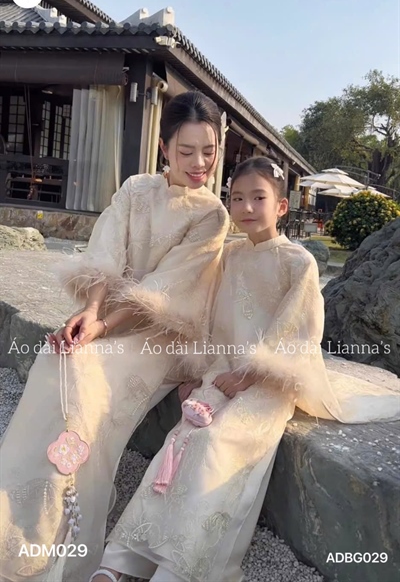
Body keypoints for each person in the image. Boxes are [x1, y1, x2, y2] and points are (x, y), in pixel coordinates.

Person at [91, 157, 400, 582]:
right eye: (237, 198)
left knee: (216, 444)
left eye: (258, 197)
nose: (247, 207)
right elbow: (209, 316)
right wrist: (194, 372)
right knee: (180, 442)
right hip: (221, 370)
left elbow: (296, 333)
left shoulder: (299, 263)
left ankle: (182, 567)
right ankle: (122, 560)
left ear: (282, 207)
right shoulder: (229, 255)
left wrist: (249, 375)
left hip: (268, 384)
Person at [0, 91, 230, 582]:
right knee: (56, 358)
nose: (199, 163)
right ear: (164, 147)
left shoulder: (212, 215)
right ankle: (18, 508)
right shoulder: (135, 189)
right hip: (110, 316)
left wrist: (103, 326)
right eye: (186, 151)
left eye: (208, 151)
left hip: (163, 334)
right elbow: (107, 255)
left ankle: (63, 528)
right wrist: (89, 311)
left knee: (86, 374)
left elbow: (163, 290)